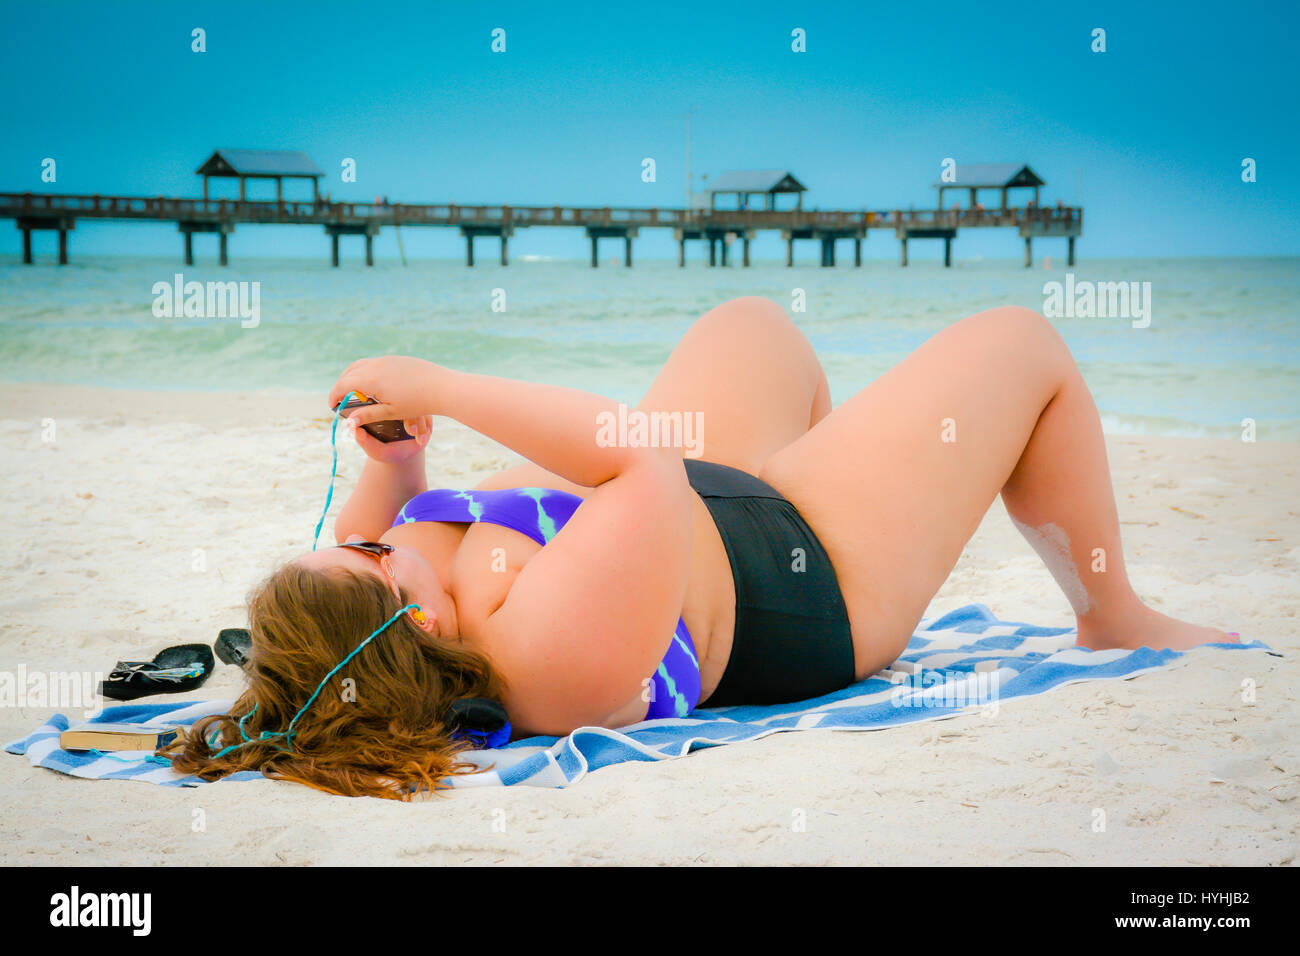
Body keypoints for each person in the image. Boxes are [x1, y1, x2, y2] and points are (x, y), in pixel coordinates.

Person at [164, 298, 1237, 798]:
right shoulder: (542, 655)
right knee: (1023, 345)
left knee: (750, 322)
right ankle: (1111, 613)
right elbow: (641, 459)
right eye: (364, 554)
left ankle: (875, 455)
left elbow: (383, 515)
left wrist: (396, 456)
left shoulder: (410, 584)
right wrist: (444, 387)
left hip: (704, 512)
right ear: (420, 624)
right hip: (807, 564)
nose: (364, 531)